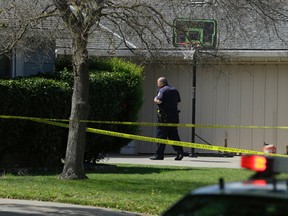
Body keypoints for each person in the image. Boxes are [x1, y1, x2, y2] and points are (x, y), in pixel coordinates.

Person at [149, 77, 184, 161]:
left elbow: (159, 101)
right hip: (174, 117)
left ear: (162, 83)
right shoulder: (175, 90)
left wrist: (155, 99)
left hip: (164, 118)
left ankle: (159, 155)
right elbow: (178, 102)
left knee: (161, 136)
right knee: (174, 136)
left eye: (158, 83)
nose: (157, 85)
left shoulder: (162, 90)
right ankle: (180, 153)